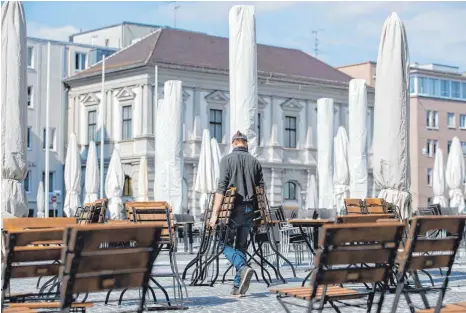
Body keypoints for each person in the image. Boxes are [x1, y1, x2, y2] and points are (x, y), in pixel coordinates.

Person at [209, 130, 264, 297]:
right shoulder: (255, 162)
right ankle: (237, 286)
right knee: (241, 246)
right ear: (246, 143)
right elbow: (260, 191)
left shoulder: (226, 160)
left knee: (221, 244)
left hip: (231, 211)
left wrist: (214, 213)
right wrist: (259, 216)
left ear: (233, 143)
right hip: (249, 210)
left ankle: (242, 267)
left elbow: (221, 187)